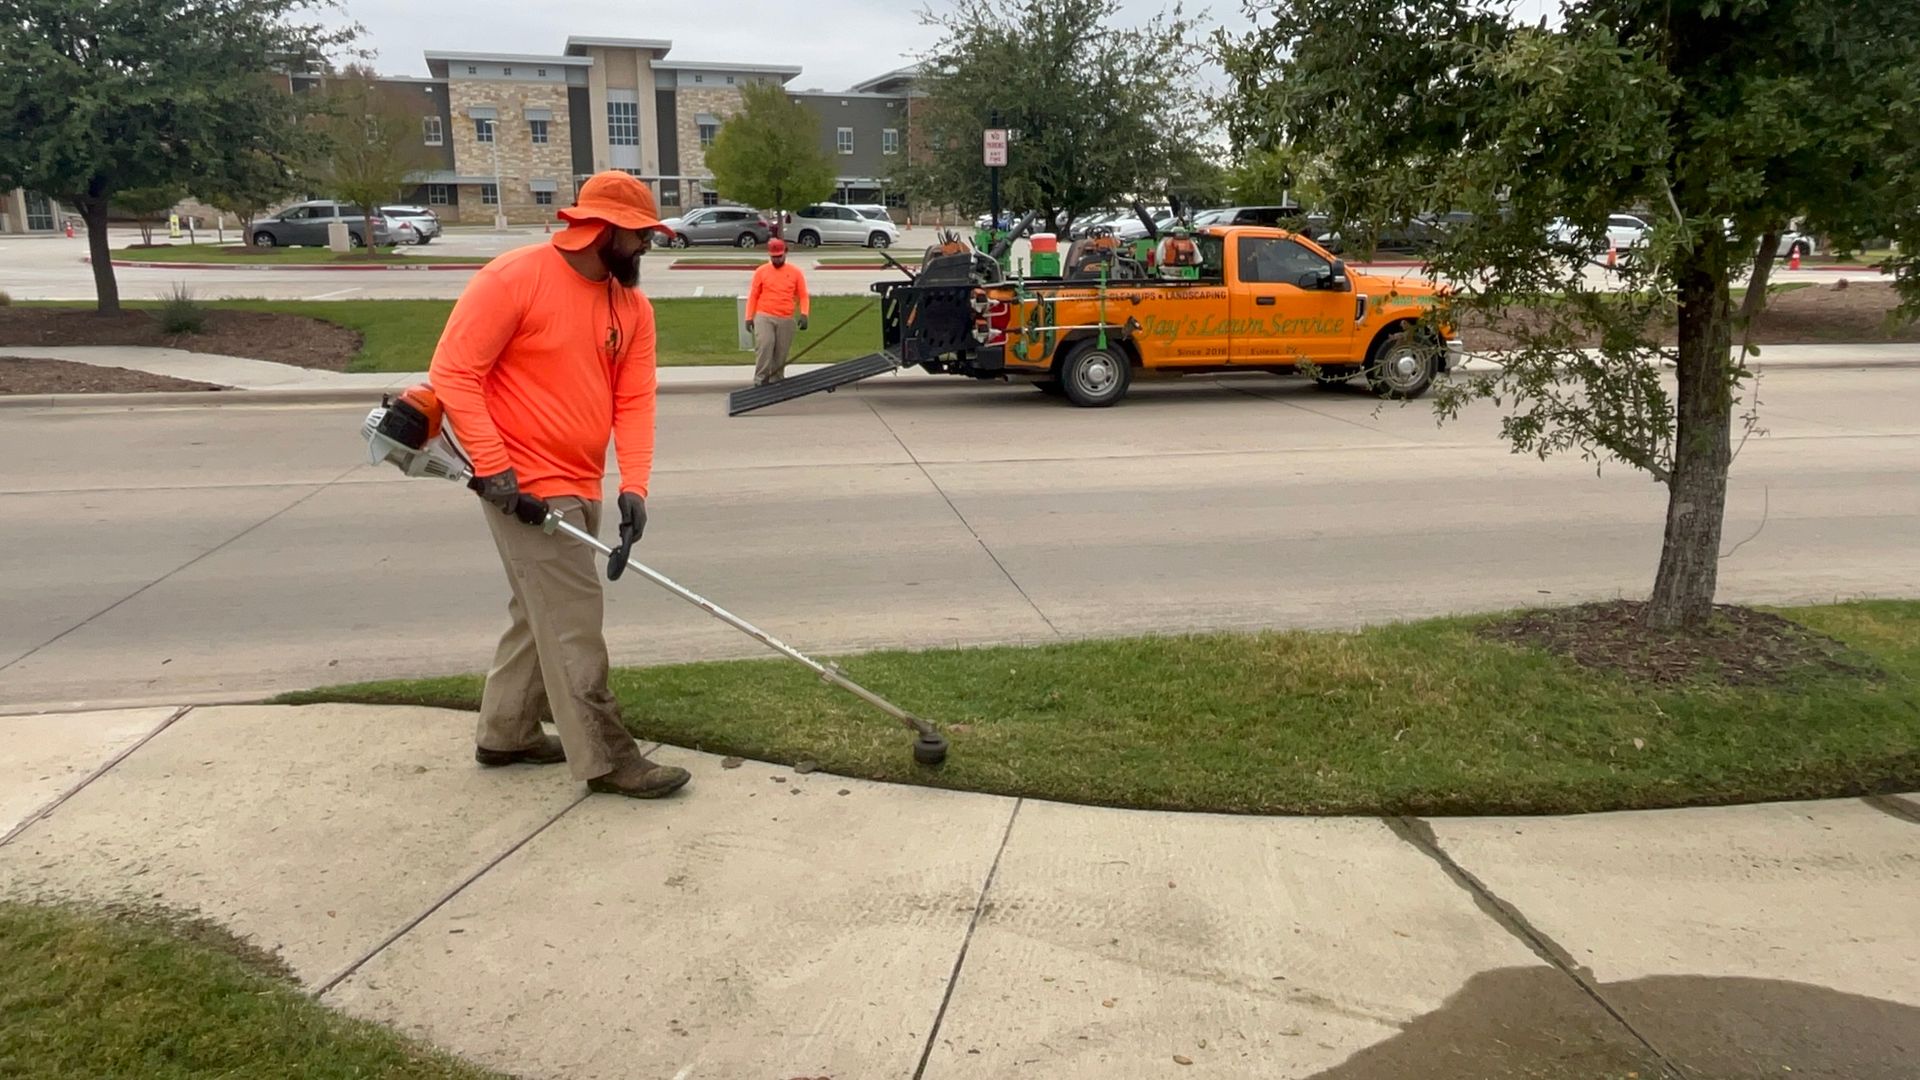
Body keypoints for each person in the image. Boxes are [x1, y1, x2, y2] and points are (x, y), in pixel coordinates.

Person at [427, 170, 691, 800]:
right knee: (574, 619)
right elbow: (454, 372)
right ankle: (608, 758)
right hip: (522, 484)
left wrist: (636, 485)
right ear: (606, 232)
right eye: (641, 238)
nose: (647, 248)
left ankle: (507, 732)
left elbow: (634, 400)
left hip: (583, 480)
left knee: (538, 610)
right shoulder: (514, 278)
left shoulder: (631, 306)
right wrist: (493, 467)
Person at [744, 237, 809, 386]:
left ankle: (777, 379)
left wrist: (804, 314)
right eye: (773, 257)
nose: (776, 259)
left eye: (779, 256)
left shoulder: (795, 273)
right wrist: (749, 317)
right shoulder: (761, 271)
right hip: (764, 315)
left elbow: (803, 295)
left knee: (781, 352)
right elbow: (753, 295)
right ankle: (760, 379)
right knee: (765, 345)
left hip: (786, 318)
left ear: (785, 253)